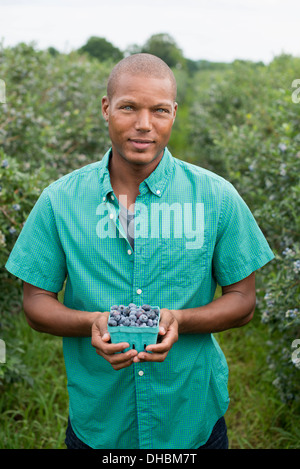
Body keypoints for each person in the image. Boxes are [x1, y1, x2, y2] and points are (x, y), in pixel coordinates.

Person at [5, 53, 274, 450]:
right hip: (101, 421)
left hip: (189, 415)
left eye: (159, 110)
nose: (144, 124)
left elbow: (243, 302)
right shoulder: (59, 201)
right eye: (129, 107)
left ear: (174, 113)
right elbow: (36, 303)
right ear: (106, 108)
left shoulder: (216, 198)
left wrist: (178, 319)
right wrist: (92, 323)